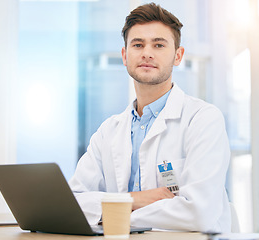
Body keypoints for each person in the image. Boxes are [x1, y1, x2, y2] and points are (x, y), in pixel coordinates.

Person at [69, 3, 231, 232]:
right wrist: (134, 199)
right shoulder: (109, 131)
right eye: (138, 44)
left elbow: (198, 213)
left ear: (178, 55)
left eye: (158, 44)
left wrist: (113, 215)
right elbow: (73, 203)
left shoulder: (203, 119)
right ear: (125, 56)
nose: (147, 52)